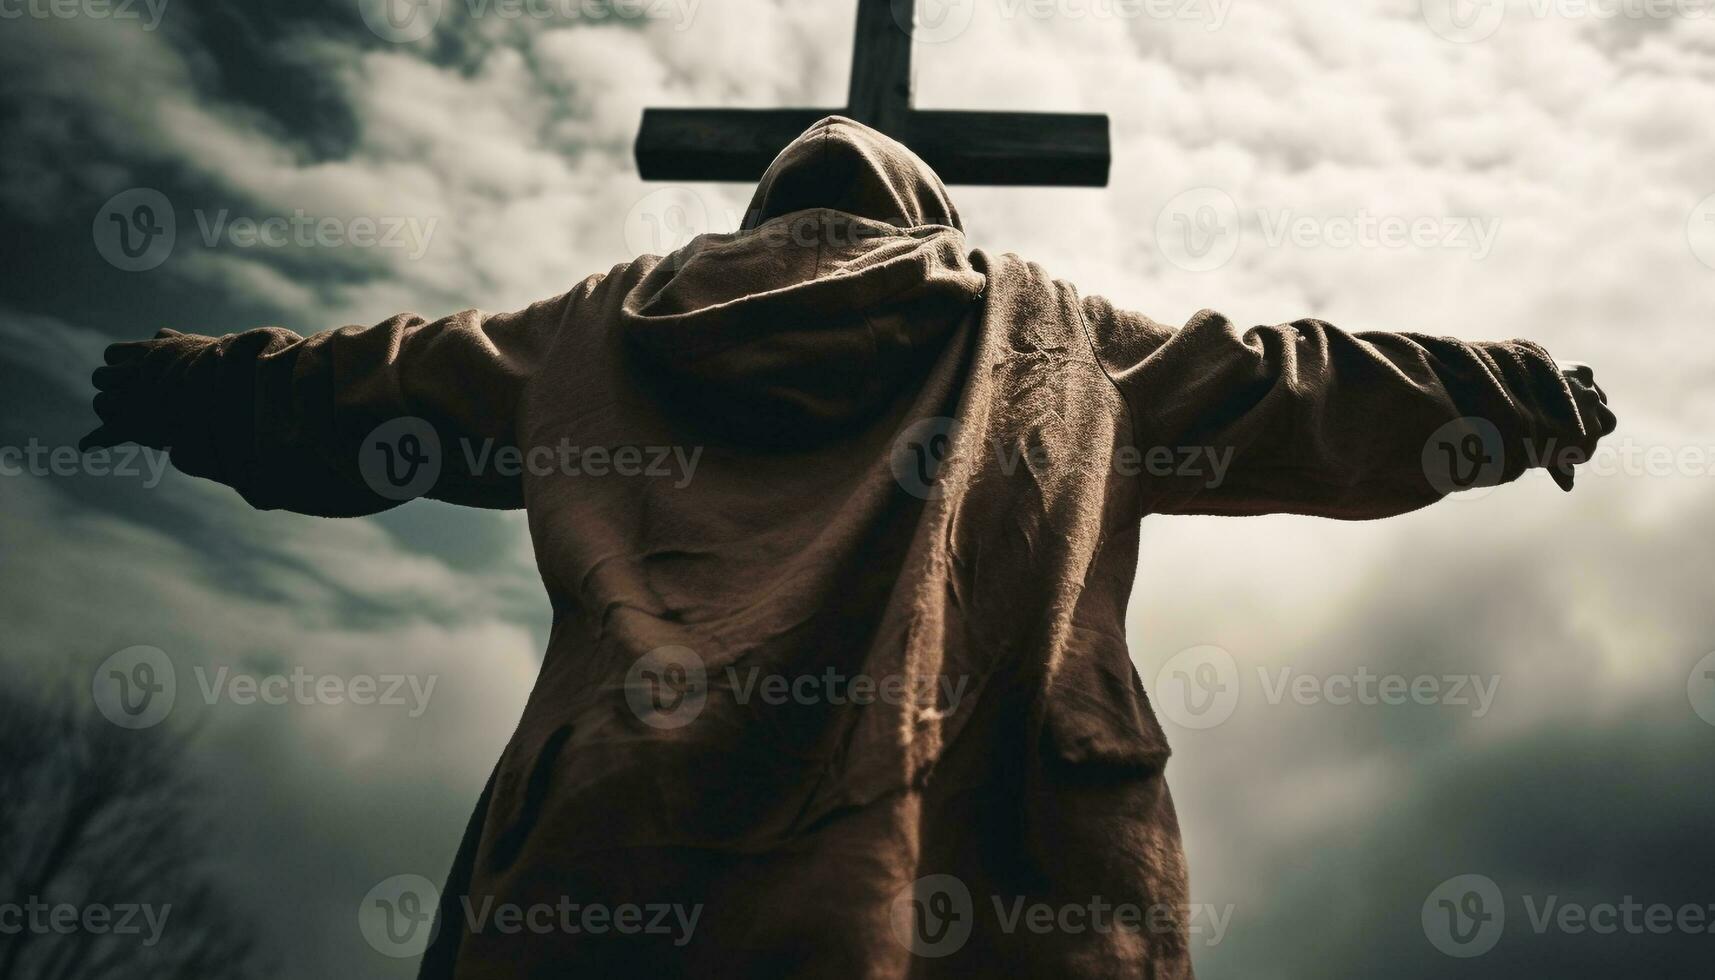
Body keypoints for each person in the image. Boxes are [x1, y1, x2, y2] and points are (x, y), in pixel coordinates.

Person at [83, 116, 1614, 978]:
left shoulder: (597, 330)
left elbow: (373, 384)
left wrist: (181, 387)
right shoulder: (1053, 330)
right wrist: (1515, 396)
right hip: (991, 846)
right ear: (929, 206)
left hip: (624, 843)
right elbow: (1297, 381)